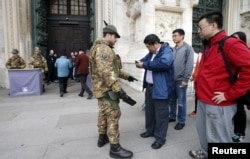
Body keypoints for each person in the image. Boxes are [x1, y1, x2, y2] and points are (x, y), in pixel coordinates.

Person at [189, 11, 250, 159]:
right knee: (204, 132)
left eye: (201, 27)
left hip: (219, 102)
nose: (199, 31)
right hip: (204, 98)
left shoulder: (230, 43)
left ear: (213, 25)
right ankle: (205, 153)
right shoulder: (208, 44)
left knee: (219, 138)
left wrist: (230, 94)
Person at [89, 24, 137, 159]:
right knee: (113, 115)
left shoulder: (99, 47)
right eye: (115, 37)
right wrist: (118, 89)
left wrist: (128, 76)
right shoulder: (104, 49)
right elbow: (107, 73)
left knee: (103, 114)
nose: (116, 39)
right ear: (108, 35)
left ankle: (102, 138)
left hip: (101, 89)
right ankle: (115, 148)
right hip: (107, 90)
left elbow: (114, 70)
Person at [135, 34, 174, 149]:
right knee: (150, 111)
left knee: (161, 114)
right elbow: (144, 60)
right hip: (150, 87)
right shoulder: (151, 53)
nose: (148, 49)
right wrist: (139, 62)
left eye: (149, 47)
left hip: (161, 89)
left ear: (156, 44)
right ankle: (150, 131)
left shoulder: (167, 51)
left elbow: (164, 63)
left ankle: (160, 138)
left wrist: (145, 65)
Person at [169, 29, 194, 130]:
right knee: (172, 101)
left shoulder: (188, 48)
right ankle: (172, 116)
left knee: (181, 103)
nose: (173, 38)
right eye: (173, 36)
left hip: (181, 80)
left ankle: (181, 121)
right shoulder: (172, 49)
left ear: (182, 36)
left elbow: (189, 65)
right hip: (171, 80)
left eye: (175, 36)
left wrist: (185, 79)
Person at [231, 31, 249, 142]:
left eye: (236, 39)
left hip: (245, 86)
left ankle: (240, 132)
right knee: (238, 110)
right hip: (235, 87)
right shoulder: (230, 53)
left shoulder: (246, 52)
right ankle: (238, 132)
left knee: (240, 110)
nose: (234, 41)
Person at [188, 53, 201, 117]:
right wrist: (193, 76)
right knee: (197, 97)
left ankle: (198, 112)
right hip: (197, 80)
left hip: (202, 81)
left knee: (200, 97)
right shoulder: (201, 55)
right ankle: (196, 111)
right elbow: (197, 68)